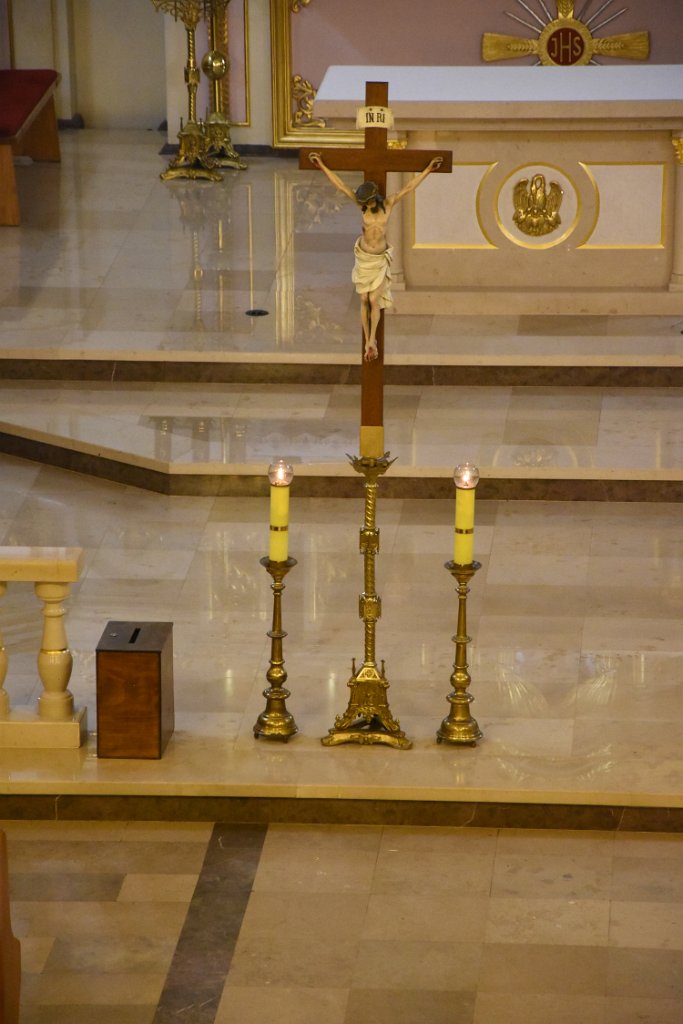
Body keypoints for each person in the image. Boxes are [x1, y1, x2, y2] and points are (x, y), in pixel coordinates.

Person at [308, 152, 443, 361]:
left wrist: (428, 170)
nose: (367, 205)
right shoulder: (362, 207)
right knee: (363, 299)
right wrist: (322, 166)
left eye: (369, 202)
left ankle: (372, 340)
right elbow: (341, 186)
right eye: (365, 202)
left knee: (373, 300)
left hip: (378, 259)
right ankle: (367, 340)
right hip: (364, 257)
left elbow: (409, 188)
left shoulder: (388, 205)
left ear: (375, 198)